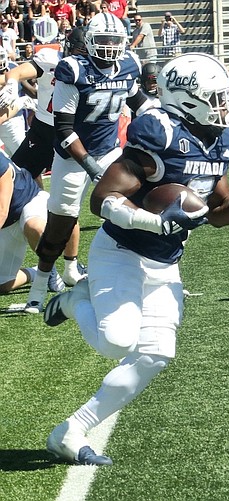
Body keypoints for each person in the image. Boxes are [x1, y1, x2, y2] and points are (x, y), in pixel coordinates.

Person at [42, 52, 229, 466]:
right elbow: (102, 200)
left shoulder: (220, 140)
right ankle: (73, 300)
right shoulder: (160, 133)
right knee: (116, 340)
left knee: (156, 354)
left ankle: (72, 431)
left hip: (165, 262)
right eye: (218, 97)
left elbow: (218, 214)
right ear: (189, 99)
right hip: (121, 251)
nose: (227, 104)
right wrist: (154, 223)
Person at [21, 12, 150, 314]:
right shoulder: (74, 70)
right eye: (102, 40)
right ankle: (39, 288)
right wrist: (91, 167)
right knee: (60, 225)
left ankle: (140, 277)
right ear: (89, 43)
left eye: (114, 41)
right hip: (72, 157)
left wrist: (158, 116)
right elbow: (64, 129)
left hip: (109, 151)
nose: (108, 46)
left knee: (135, 209)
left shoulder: (129, 65)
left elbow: (137, 99)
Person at [0, 26, 90, 287]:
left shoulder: (96, 68)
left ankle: (71, 265)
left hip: (73, 136)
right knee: (15, 184)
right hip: (42, 132)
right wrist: (14, 82)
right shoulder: (51, 58)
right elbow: (15, 72)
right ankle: (28, 233)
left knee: (68, 204)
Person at [0, 147, 65, 295]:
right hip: (7, 224)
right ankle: (35, 273)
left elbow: (2, 210)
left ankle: (48, 268)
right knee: (2, 285)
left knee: (34, 226)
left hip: (29, 202)